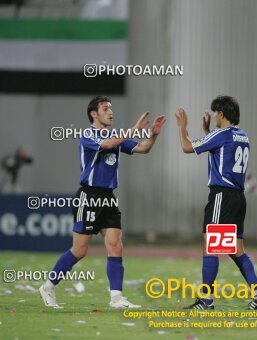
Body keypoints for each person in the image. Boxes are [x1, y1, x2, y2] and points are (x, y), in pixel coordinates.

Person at [39, 95, 166, 308]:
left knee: (115, 246)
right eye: (106, 108)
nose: (111, 112)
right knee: (79, 250)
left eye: (111, 108)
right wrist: (134, 128)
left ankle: (116, 298)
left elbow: (143, 149)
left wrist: (153, 135)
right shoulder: (89, 135)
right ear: (94, 114)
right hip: (88, 197)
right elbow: (108, 144)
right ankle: (48, 286)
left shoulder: (115, 137)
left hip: (108, 198)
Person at [174, 95, 257, 310]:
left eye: (216, 112)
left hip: (221, 197)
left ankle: (206, 300)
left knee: (211, 248)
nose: (214, 116)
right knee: (236, 250)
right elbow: (221, 153)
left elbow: (187, 147)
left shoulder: (222, 134)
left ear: (222, 113)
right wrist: (208, 131)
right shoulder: (242, 136)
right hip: (238, 198)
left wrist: (183, 127)